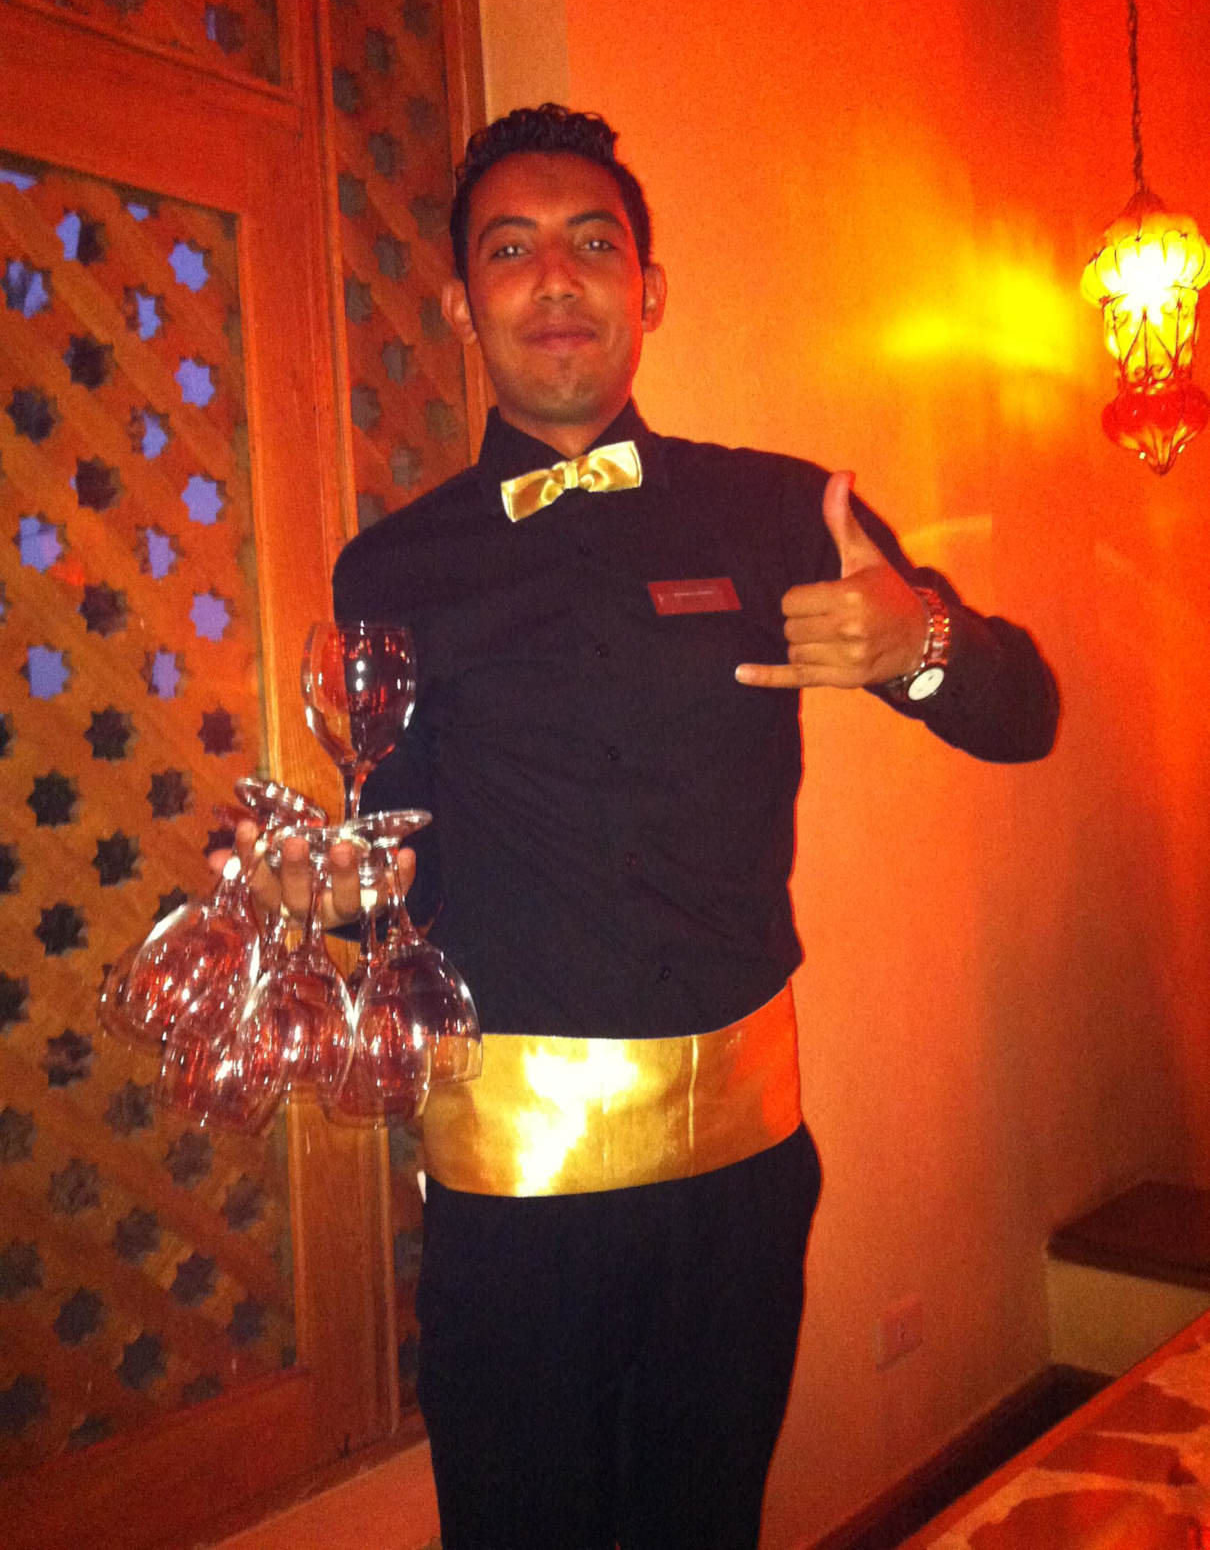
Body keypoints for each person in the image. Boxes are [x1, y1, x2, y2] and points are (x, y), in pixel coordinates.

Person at [325, 105, 1059, 1549]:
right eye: (511, 249)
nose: (555, 278)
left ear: (647, 289)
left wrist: (920, 641)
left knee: (704, 1522)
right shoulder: (389, 568)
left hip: (739, 1177)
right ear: (461, 303)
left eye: (592, 244)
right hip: (511, 1190)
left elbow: (1021, 716)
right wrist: (326, 890)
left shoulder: (780, 510)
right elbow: (393, 856)